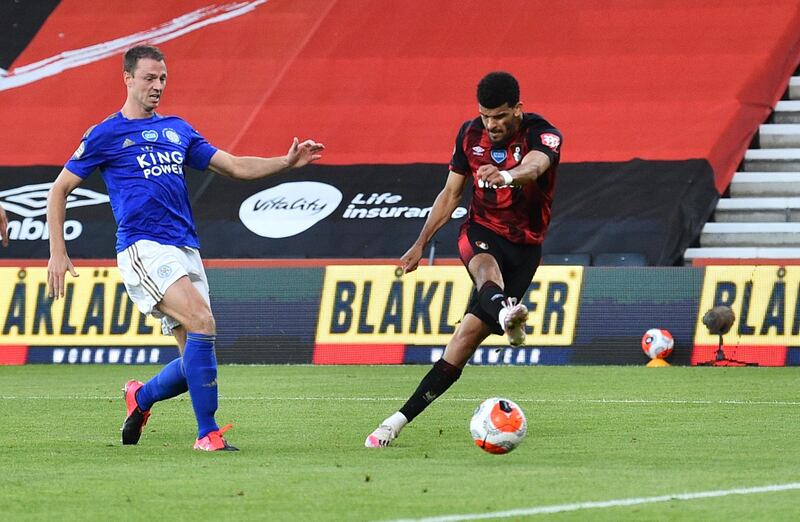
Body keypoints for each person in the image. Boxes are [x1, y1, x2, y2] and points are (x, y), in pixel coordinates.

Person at [47, 45, 324, 452]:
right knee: (203, 322)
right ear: (127, 79)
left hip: (185, 248)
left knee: (197, 357)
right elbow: (59, 190)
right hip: (143, 246)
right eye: (148, 78)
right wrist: (58, 251)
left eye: (162, 79)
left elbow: (233, 165)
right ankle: (207, 435)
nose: (157, 86)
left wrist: (285, 163)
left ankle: (140, 398)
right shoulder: (105, 134)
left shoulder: (178, 129)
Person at [365, 71, 562, 448]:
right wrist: (421, 242)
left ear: (518, 110)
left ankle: (398, 419)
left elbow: (535, 167)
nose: (493, 124)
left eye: (501, 116)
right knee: (485, 269)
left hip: (525, 246)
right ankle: (393, 424)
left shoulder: (542, 133)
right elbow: (452, 192)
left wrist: (505, 176)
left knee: (464, 340)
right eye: (486, 116)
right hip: (481, 231)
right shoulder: (470, 135)